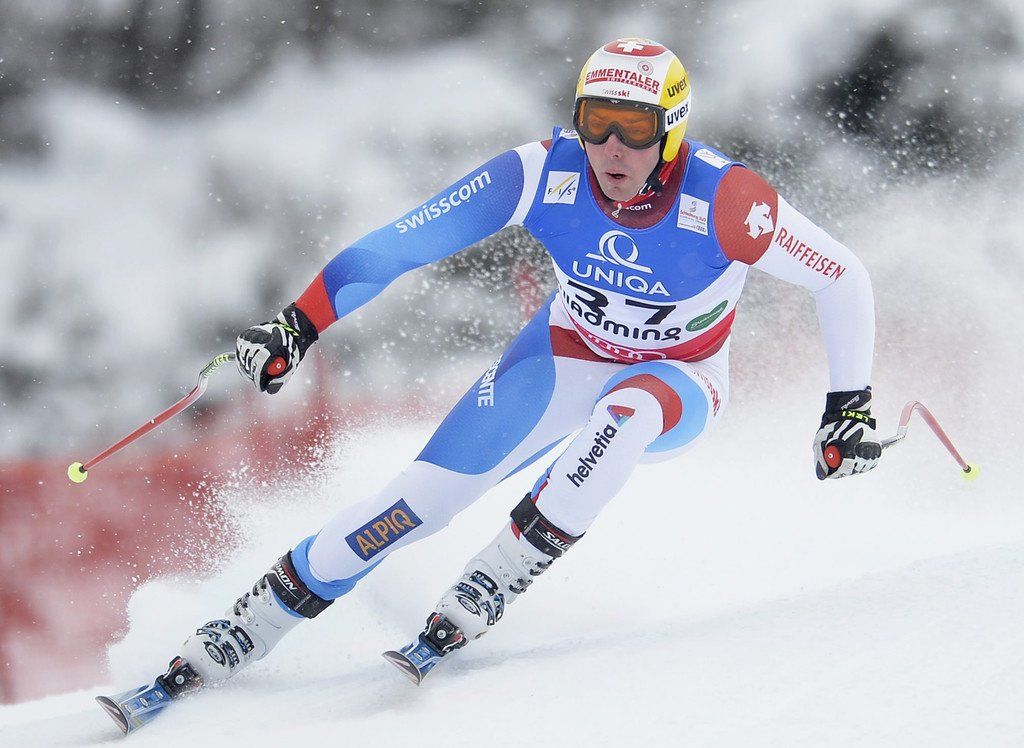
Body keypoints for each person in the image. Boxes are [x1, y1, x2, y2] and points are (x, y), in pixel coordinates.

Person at [156, 37, 881, 694]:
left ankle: (494, 580)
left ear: (670, 130)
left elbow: (841, 275)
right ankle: (249, 624)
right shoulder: (542, 171)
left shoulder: (726, 199)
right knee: (419, 501)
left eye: (633, 128)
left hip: (680, 378)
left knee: (624, 415)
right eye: (596, 121)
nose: (610, 148)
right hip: (564, 353)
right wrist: (300, 322)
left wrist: (848, 408)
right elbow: (403, 243)